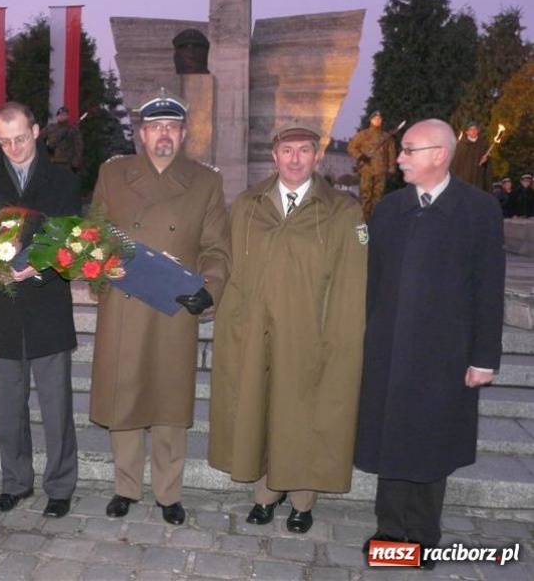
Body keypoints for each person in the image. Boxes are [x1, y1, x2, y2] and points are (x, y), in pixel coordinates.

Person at [355, 119, 505, 570]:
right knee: (391, 439)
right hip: (390, 349)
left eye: (408, 150)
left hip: (444, 353)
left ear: (439, 154)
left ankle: (421, 536)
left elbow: (488, 289)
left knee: (428, 441)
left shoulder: (479, 210)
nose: (399, 157)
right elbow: (372, 282)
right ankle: (389, 532)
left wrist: (484, 357)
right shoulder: (388, 209)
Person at [209, 122, 367, 534]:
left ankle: (301, 500)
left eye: (304, 151)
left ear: (317, 156)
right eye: (287, 151)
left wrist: (337, 339)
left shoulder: (340, 211)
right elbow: (235, 270)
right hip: (257, 328)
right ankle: (265, 495)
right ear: (274, 156)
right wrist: (233, 324)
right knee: (260, 410)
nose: (295, 159)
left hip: (308, 332)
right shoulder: (248, 204)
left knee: (301, 414)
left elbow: (350, 283)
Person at [90, 88, 229, 525]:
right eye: (155, 128)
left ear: (184, 133)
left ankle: (169, 492)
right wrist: (100, 269)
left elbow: (216, 246)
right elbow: (92, 232)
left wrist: (211, 287)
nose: (163, 135)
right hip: (126, 301)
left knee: (169, 401)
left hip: (173, 303)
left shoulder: (206, 181)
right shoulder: (113, 175)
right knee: (125, 395)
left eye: (171, 127)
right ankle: (126, 487)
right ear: (142, 135)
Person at [0, 102, 82, 519]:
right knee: (9, 407)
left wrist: (44, 265)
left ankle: (60, 486)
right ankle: (15, 482)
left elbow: (73, 239)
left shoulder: (63, 181)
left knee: (56, 406)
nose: (14, 147)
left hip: (47, 305)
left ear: (36, 131)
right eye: (5, 140)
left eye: (21, 138)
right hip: (1, 307)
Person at [348, 110, 397, 219]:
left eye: (379, 119)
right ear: (371, 120)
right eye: (375, 118)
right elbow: (351, 147)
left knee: (378, 198)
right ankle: (362, 226)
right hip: (367, 170)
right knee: (365, 198)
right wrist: (361, 156)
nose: (378, 120)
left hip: (381, 171)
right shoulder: (363, 135)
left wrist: (391, 168)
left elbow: (391, 152)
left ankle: (375, 224)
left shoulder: (386, 137)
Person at [450, 122, 491, 192]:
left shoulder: (482, 145)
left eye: (475, 129)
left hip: (478, 177)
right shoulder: (461, 146)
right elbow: (455, 164)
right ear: (467, 132)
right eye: (471, 130)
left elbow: (488, 163)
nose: (473, 131)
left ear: (478, 131)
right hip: (465, 178)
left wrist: (486, 160)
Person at [43, 105, 83, 172]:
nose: (61, 116)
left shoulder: (72, 130)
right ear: (57, 116)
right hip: (51, 161)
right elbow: (38, 139)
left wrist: (75, 163)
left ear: (67, 116)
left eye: (64, 115)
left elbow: (78, 147)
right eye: (60, 114)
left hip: (66, 163)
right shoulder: (50, 128)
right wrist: (45, 149)